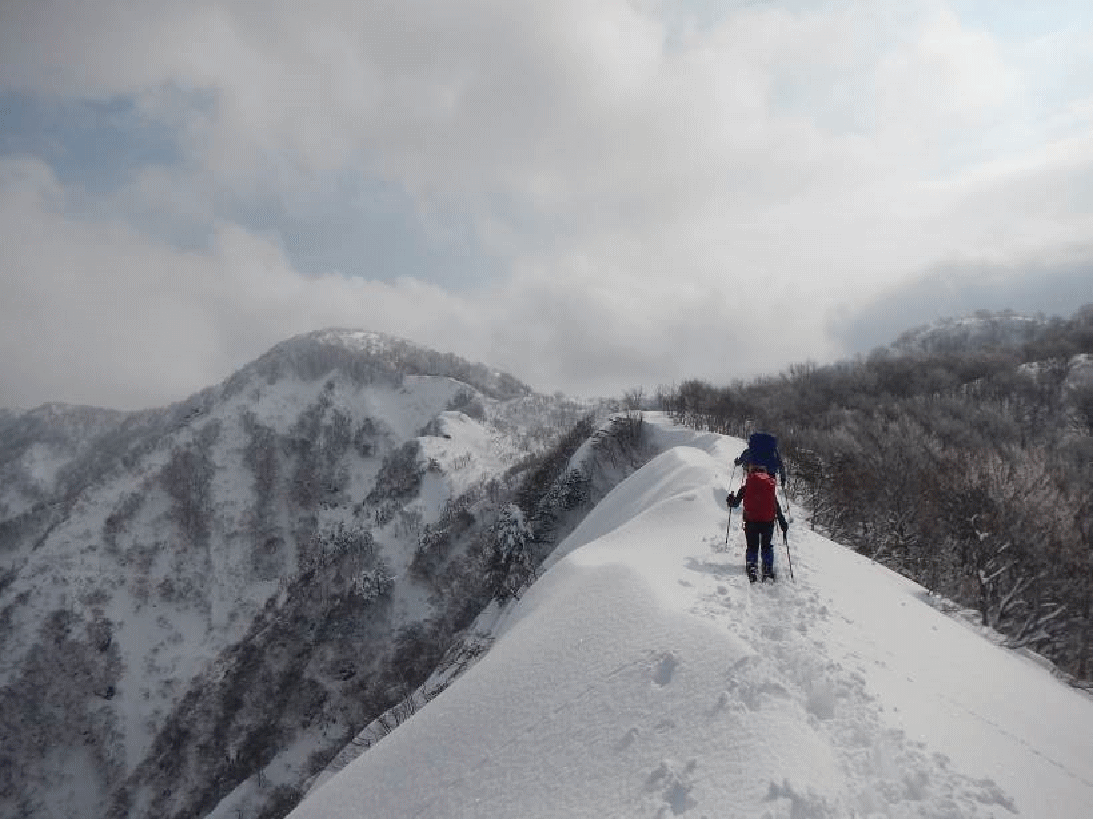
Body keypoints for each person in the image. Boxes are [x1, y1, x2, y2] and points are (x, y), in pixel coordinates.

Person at [726, 464, 788, 582]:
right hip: (768, 522)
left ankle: (752, 567)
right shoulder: (769, 486)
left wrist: (730, 499)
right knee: (766, 546)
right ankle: (767, 569)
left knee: (752, 546)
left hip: (751, 521)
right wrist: (783, 523)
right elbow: (776, 507)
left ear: (751, 472)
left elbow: (735, 504)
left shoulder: (746, 487)